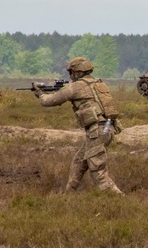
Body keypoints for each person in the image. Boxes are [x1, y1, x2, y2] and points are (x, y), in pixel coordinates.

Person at [36, 56, 123, 194]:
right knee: (79, 162)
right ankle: (68, 195)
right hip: (107, 128)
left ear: (76, 72)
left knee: (98, 172)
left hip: (97, 131)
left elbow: (49, 101)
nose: (70, 76)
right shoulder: (99, 83)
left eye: (71, 72)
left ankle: (119, 200)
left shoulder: (75, 87)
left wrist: (40, 94)